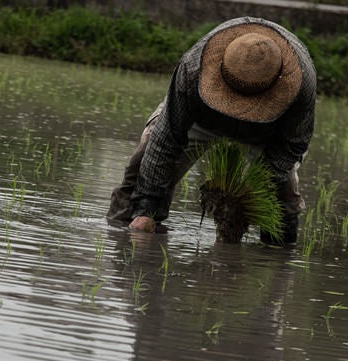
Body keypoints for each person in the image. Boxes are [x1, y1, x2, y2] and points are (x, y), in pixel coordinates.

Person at [107, 17, 316, 245]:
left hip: (267, 131)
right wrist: (146, 209)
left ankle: (279, 255)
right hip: (202, 118)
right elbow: (166, 138)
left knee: (283, 195)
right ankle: (121, 243)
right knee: (142, 166)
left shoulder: (300, 83)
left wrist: (246, 196)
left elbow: (292, 145)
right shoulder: (194, 68)